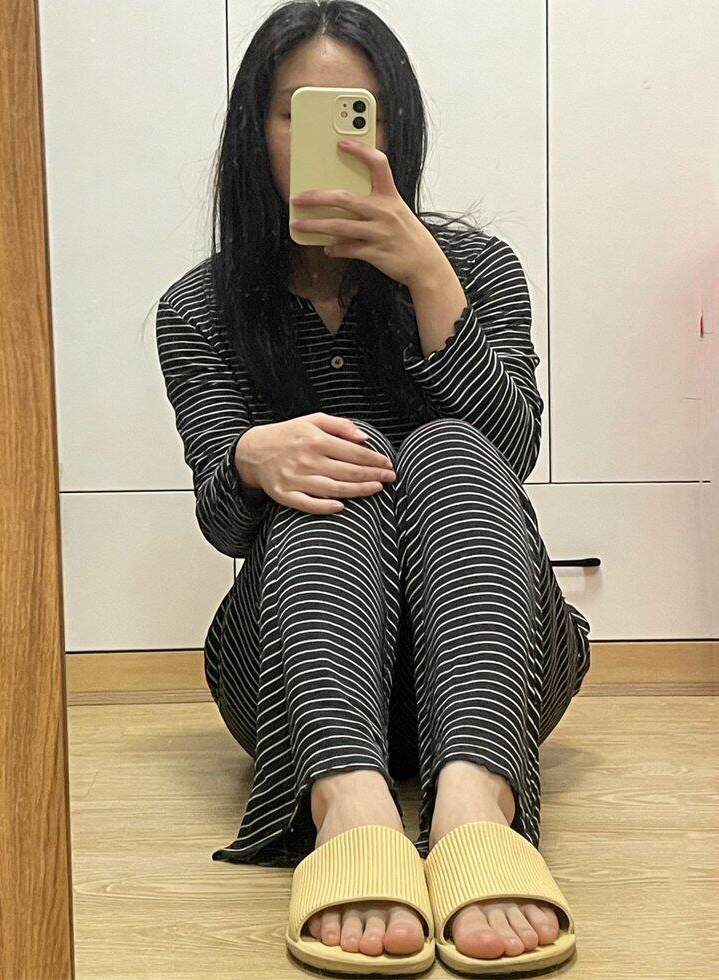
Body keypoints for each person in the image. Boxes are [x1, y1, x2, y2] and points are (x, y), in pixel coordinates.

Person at [155, 0, 591, 965]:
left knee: (447, 448)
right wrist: (248, 457)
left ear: (398, 126)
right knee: (329, 462)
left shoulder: (474, 267)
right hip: (295, 680)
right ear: (255, 132)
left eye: (362, 112)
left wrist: (431, 281)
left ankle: (477, 801)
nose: (337, 139)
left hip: (497, 665)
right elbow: (226, 525)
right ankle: (349, 803)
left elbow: (512, 455)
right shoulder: (200, 308)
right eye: (297, 113)